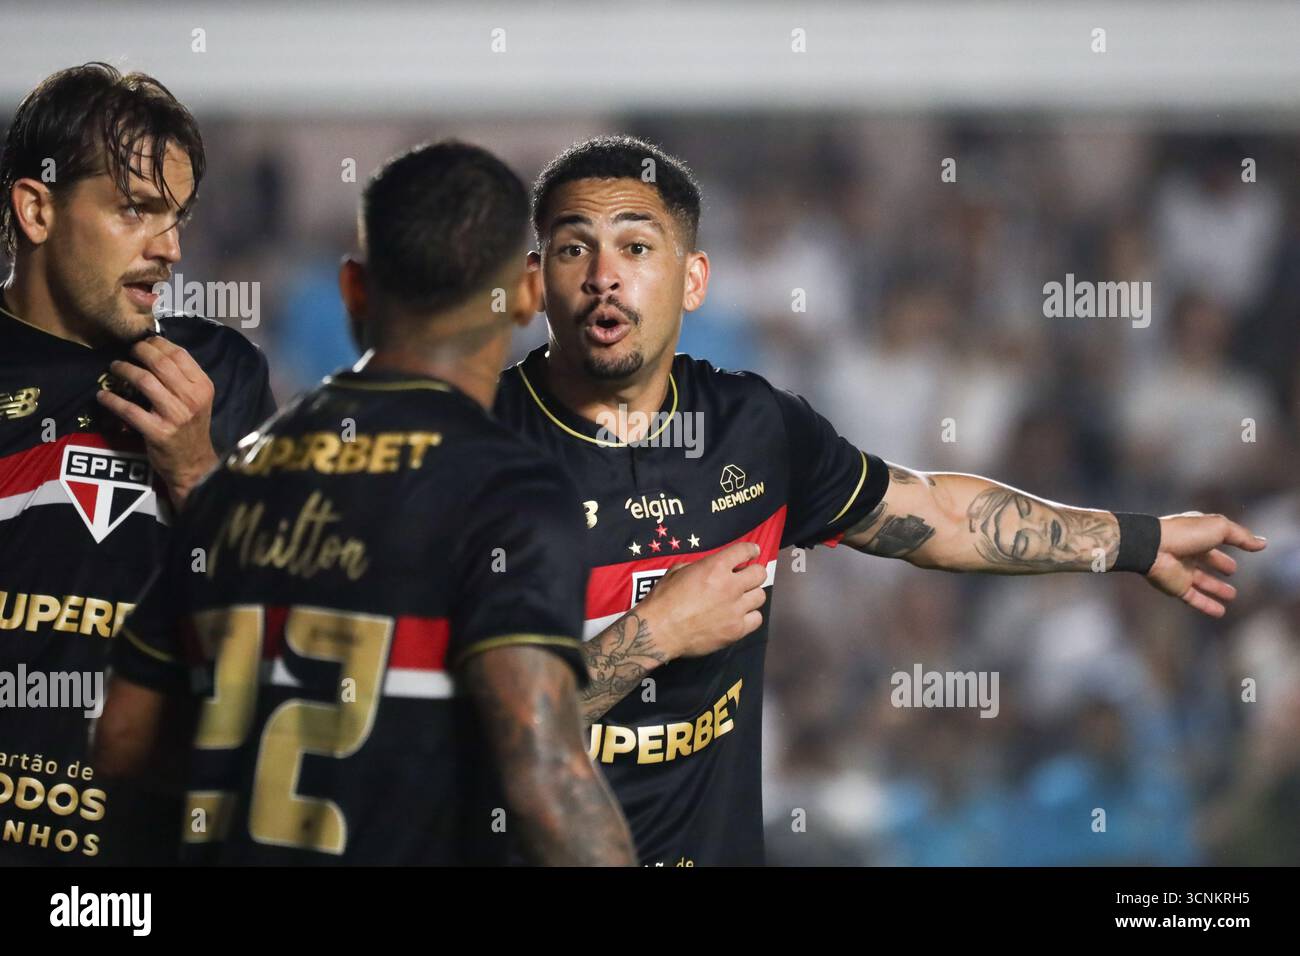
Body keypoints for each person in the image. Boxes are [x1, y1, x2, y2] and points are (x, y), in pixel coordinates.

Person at [492, 135, 1269, 866]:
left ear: (693, 278)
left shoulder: (755, 429)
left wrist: (1136, 541)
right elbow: (474, 733)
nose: (604, 275)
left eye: (635, 247)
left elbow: (938, 516)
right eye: (573, 248)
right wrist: (659, 631)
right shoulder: (477, 452)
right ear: (537, 279)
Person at [93, 141, 636, 866]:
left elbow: (123, 741)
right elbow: (549, 779)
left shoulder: (235, 480)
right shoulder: (509, 491)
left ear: (354, 289)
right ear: (531, 292)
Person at [0, 63, 274, 865]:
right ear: (36, 208)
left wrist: (194, 471)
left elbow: (281, 616)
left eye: (177, 216)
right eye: (136, 210)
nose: (171, 248)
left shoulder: (219, 372)